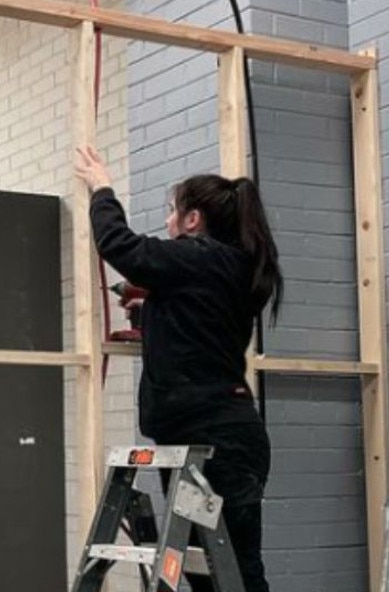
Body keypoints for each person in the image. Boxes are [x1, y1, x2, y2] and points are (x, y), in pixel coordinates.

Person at [75, 144, 282, 592]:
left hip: (217, 445)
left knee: (237, 572)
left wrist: (101, 188)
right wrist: (153, 301)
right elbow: (193, 322)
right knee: (212, 574)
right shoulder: (223, 268)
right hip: (198, 443)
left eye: (172, 212)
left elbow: (120, 245)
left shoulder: (200, 257)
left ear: (193, 220)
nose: (167, 222)